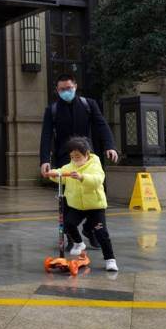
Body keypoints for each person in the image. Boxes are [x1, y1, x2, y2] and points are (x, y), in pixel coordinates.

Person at [39, 74, 118, 249]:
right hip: (65, 159)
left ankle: (91, 230)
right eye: (62, 89)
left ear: (75, 86)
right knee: (68, 199)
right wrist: (45, 159)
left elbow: (101, 125)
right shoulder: (52, 110)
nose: (66, 91)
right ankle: (72, 237)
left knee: (95, 195)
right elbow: (46, 135)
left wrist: (110, 146)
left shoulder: (88, 104)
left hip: (88, 158)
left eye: (68, 88)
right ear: (57, 90)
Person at [47, 136, 118, 271]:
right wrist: (52, 174)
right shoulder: (70, 166)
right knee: (68, 223)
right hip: (77, 206)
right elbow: (61, 173)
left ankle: (110, 259)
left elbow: (97, 180)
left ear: (87, 154)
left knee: (101, 233)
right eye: (72, 157)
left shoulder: (95, 165)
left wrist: (82, 177)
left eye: (78, 157)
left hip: (95, 206)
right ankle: (79, 243)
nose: (75, 159)